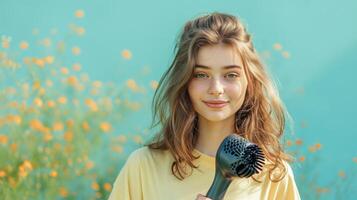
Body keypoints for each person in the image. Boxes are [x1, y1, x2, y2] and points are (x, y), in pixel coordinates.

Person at [108, 12, 301, 200]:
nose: (216, 89)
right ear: (185, 81)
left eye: (231, 75)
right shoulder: (143, 166)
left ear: (249, 81)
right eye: (201, 74)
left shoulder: (274, 175)